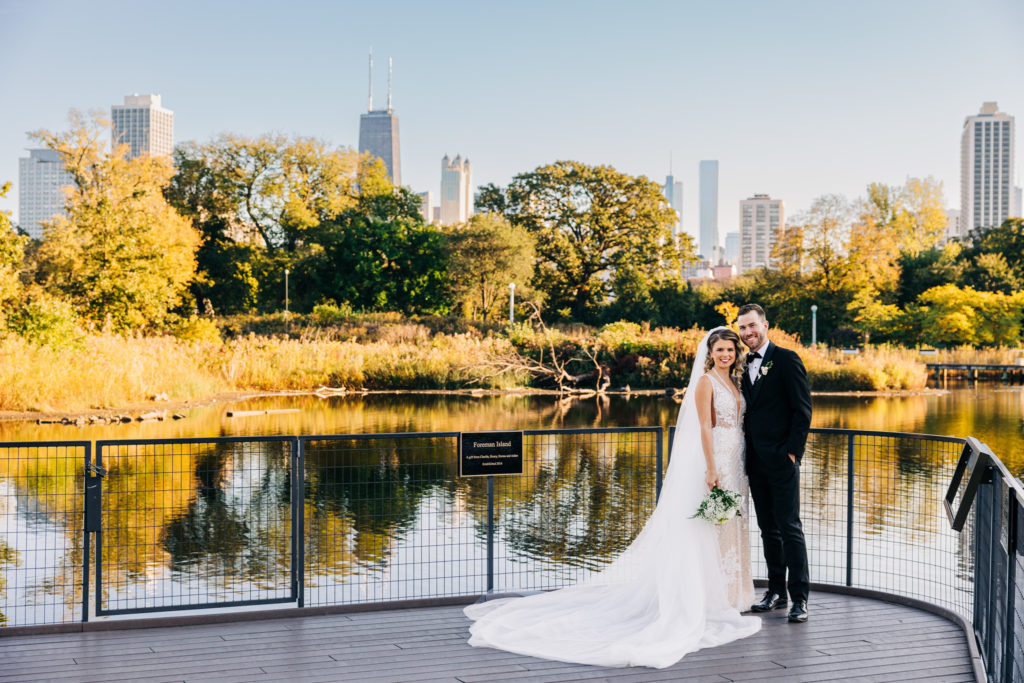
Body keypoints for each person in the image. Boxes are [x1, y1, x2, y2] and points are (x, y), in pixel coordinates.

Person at [463, 327, 761, 669]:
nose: (725, 354)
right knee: (704, 530)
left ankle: (728, 595)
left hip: (737, 463)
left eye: (730, 349)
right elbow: (705, 428)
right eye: (720, 349)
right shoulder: (706, 382)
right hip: (715, 462)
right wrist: (711, 469)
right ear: (709, 353)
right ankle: (702, 599)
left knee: (725, 528)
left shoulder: (736, 382)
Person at [736, 303, 812, 624]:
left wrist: (792, 453)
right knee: (768, 530)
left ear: (766, 325)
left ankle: (800, 599)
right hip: (754, 462)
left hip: (782, 460)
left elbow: (803, 409)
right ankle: (776, 592)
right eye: (742, 328)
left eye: (752, 326)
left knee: (789, 527)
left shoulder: (786, 359)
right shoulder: (740, 365)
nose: (747, 333)